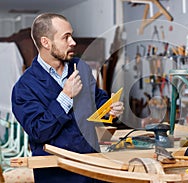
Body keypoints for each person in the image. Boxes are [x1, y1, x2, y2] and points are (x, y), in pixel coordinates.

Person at [11, 13, 124, 183]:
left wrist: (111, 109)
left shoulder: (80, 67)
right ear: (45, 42)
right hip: (58, 175)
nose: (73, 42)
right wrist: (65, 96)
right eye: (66, 37)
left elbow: (97, 99)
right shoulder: (24, 87)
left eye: (72, 35)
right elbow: (38, 131)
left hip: (93, 168)